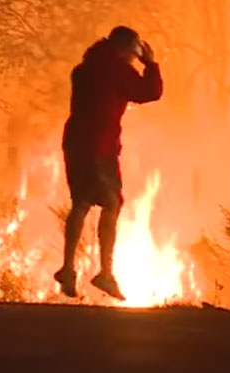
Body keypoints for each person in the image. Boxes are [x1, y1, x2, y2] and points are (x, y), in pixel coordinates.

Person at [54, 26, 162, 299]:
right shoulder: (117, 70)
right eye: (135, 51)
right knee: (112, 202)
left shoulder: (84, 68)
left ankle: (68, 269)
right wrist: (150, 63)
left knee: (81, 201)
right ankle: (105, 273)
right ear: (128, 49)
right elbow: (150, 92)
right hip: (100, 144)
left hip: (76, 142)